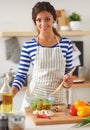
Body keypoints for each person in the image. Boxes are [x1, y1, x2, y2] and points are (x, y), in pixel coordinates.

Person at [11, 1, 73, 111]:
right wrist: (10, 95)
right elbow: (21, 76)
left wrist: (68, 82)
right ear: (35, 22)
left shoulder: (66, 44)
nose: (43, 24)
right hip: (33, 101)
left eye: (47, 19)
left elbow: (67, 77)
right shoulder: (28, 46)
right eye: (39, 20)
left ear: (54, 19)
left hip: (57, 102)